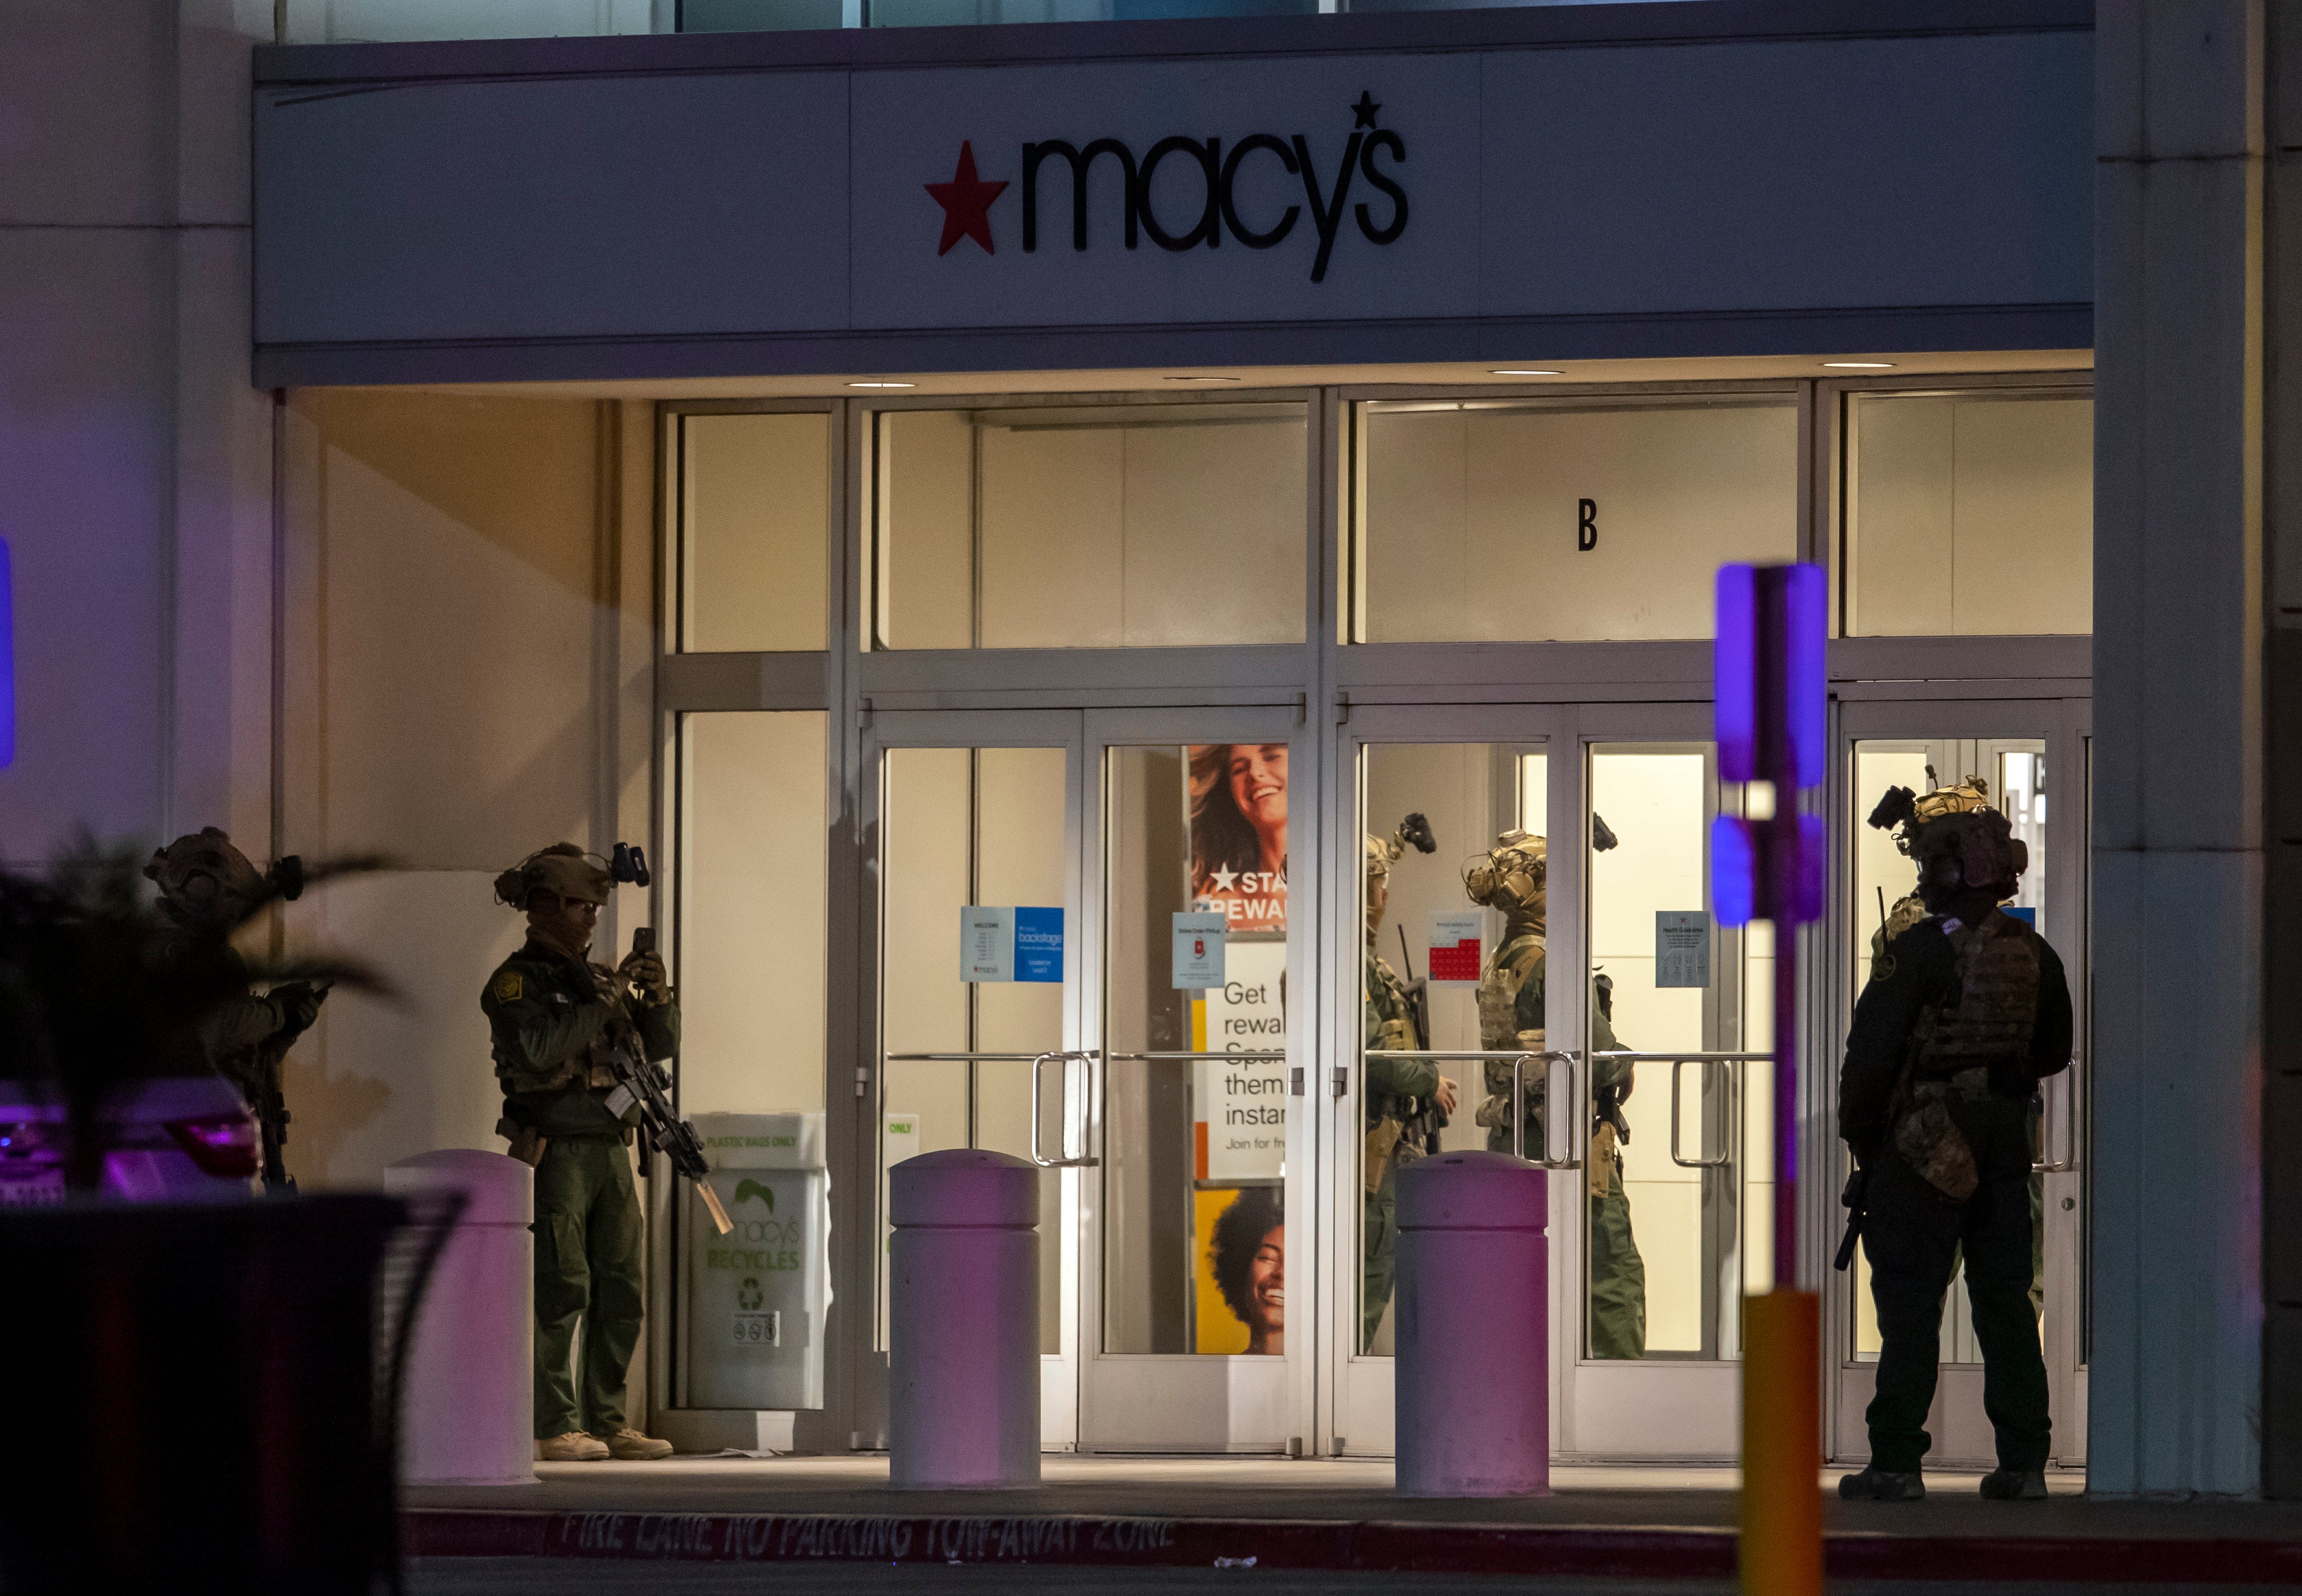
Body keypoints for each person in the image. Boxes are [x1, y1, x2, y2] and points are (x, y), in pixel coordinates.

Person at [1837, 778, 2073, 1503]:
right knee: (2003, 1303)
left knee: (1909, 1304)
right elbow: (2054, 1049)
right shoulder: (2035, 950)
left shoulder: (1914, 952)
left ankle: (1896, 1461)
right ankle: (2023, 1462)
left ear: (1939, 869)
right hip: (2004, 1144)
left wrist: (1864, 1146)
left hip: (1920, 1147)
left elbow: (1869, 1060)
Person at [483, 844, 679, 1463]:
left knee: (622, 1286)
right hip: (556, 1148)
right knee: (562, 1284)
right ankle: (555, 1422)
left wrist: (657, 994)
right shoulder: (517, 982)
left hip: (611, 1144)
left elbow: (659, 1045)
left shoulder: (598, 980)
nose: (591, 916)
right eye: (578, 905)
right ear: (544, 907)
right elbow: (540, 1048)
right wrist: (603, 1000)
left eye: (595, 906)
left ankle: (610, 1420)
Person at [1463, 828, 1647, 1360]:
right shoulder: (1551, 962)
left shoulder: (1503, 958)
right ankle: (1623, 1415)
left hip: (1512, 1142)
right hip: (1567, 1145)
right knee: (1610, 1278)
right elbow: (1604, 1058)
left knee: (1519, 1286)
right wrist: (1625, 1059)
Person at [144, 828, 326, 1188]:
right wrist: (277, 1013)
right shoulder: (168, 952)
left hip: (215, 1131)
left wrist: (286, 1031)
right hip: (178, 1138)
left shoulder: (214, 956)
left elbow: (240, 1054)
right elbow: (215, 1023)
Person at [1361, 822, 1458, 1350]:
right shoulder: (1347, 962)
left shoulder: (1360, 959)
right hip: (1366, 1149)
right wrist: (1428, 1077)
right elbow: (1371, 1053)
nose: (1386, 895)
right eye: (1379, 883)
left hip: (1380, 1144)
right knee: (1366, 1283)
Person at [1188, 743, 1288, 930]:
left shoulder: (1348, 888)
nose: (1254, 773)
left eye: (1272, 756)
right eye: (1239, 769)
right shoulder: (1213, 911)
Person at [1210, 1186, 1284, 1355]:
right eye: (1268, 1257)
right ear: (1242, 1267)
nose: (1281, 1273)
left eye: (1296, 1262)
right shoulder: (1222, 1376)